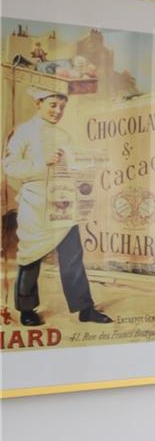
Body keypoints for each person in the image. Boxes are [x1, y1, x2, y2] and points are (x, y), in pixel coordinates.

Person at [3, 87, 111, 326]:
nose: (58, 111)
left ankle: (85, 308)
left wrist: (88, 166)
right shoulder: (22, 133)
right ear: (38, 104)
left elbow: (72, 170)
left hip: (64, 204)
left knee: (73, 256)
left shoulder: (64, 136)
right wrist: (43, 162)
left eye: (62, 106)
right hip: (35, 204)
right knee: (30, 257)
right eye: (53, 105)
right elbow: (10, 168)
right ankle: (27, 309)